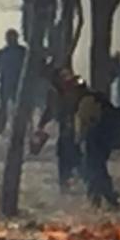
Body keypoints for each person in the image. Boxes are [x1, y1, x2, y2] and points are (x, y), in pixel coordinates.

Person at [31, 62, 84, 191]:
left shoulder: (76, 87)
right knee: (65, 152)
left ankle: (78, 178)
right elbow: (50, 109)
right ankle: (66, 180)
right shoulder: (54, 91)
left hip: (76, 123)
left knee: (74, 152)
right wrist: (42, 125)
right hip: (66, 125)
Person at [0, 29, 28, 135]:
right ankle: (0, 129)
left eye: (12, 37)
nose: (10, 40)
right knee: (4, 108)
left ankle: (19, 129)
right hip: (6, 84)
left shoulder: (22, 52)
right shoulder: (4, 53)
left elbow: (30, 68)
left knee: (19, 108)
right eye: (9, 37)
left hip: (19, 84)